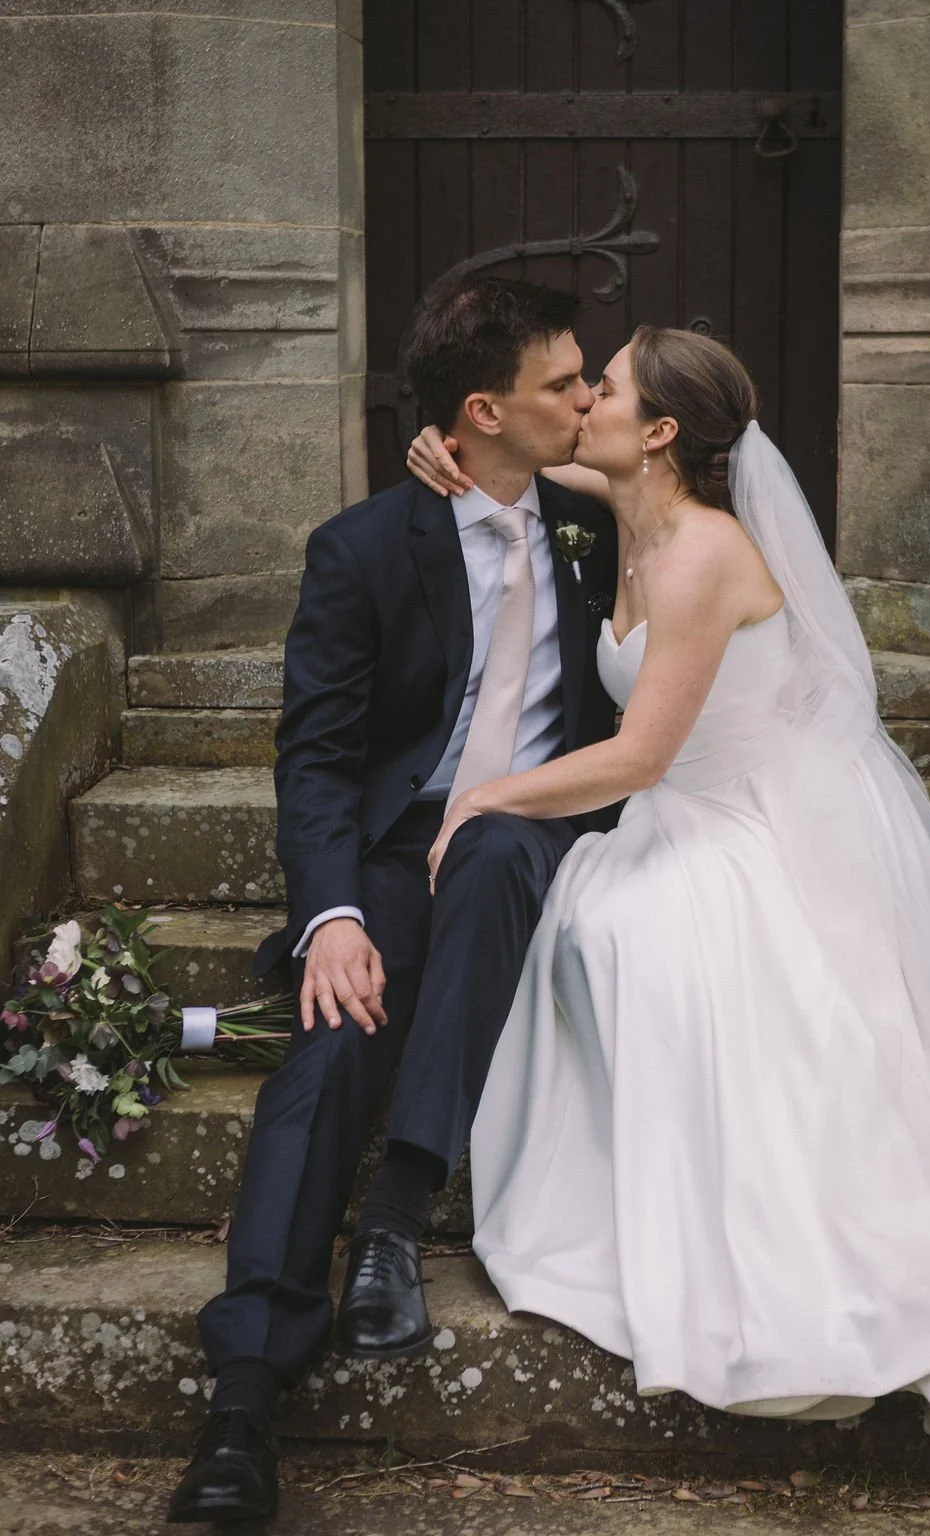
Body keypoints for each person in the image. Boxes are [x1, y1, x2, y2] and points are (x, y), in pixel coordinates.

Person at [407, 324, 930, 1441]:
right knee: (592, 918)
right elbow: (523, 460)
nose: (580, 401)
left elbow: (641, 757)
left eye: (603, 389)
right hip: (671, 818)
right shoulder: (627, 505)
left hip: (732, 825)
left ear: (657, 433)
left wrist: (482, 797)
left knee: (630, 936)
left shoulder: (700, 555)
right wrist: (442, 444)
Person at [167, 276, 620, 1526]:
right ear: (482, 411)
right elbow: (316, 757)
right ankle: (242, 1403)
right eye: (563, 382)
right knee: (327, 1049)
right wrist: (333, 918)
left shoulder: (604, 523)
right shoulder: (364, 547)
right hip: (396, 853)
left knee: (493, 847)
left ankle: (395, 1215)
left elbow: (723, 483)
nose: (589, 396)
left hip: (540, 839)